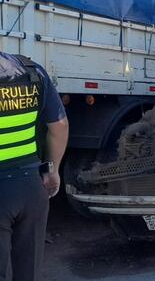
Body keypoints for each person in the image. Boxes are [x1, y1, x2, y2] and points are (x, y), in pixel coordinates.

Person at [0, 52, 68, 281]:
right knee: (28, 272)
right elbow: (59, 125)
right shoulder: (31, 70)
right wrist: (50, 170)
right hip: (31, 186)